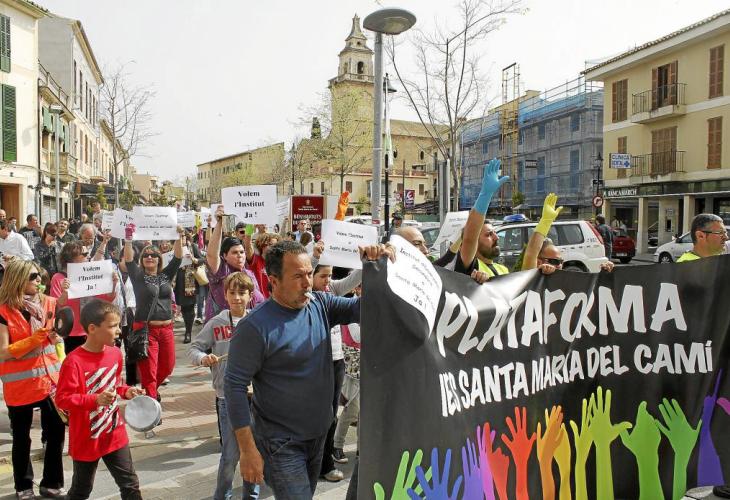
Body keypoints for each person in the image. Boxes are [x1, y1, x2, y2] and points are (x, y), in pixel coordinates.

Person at [225, 240, 394, 498]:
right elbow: (234, 387)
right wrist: (248, 451)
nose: (307, 283)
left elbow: (366, 309)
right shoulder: (254, 327)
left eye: (308, 273)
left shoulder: (321, 304)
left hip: (318, 437)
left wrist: (376, 269)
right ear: (274, 281)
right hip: (280, 444)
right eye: (297, 276)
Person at [55, 299, 144, 500]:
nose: (119, 330)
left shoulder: (115, 354)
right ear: (92, 329)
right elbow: (62, 399)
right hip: (86, 438)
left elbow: (115, 384)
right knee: (81, 491)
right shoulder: (73, 361)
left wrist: (127, 391)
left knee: (130, 484)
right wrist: (94, 400)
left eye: (118, 325)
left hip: (114, 433)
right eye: (112, 326)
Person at [188, 272, 260, 500]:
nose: (237, 297)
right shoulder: (216, 322)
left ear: (250, 296)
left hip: (256, 398)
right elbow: (194, 349)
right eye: (232, 292)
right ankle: (222, 496)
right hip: (227, 398)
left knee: (254, 451)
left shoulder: (258, 321)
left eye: (242, 293)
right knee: (230, 455)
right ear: (225, 295)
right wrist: (203, 358)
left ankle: (251, 496)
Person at [0, 259, 66, 499]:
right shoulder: (3, 310)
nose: (39, 280)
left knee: (57, 431)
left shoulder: (49, 302)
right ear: (17, 279)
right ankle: (23, 485)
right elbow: (3, 352)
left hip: (50, 380)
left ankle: (52, 483)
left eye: (39, 275)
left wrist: (57, 338)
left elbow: (59, 331)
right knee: (21, 437)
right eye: (32, 276)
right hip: (20, 385)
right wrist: (36, 338)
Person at [310, 264, 363, 483]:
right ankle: (311, 461)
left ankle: (326, 463)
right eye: (323, 276)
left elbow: (355, 278)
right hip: (314, 362)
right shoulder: (306, 295)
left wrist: (368, 260)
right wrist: (314, 256)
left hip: (336, 360)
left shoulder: (332, 290)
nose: (327, 280)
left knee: (331, 414)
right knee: (315, 415)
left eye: (330, 275)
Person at [124, 226, 184, 403]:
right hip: (146, 331)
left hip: (167, 330)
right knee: (149, 372)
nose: (149, 257)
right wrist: (128, 239)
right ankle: (151, 405)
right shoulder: (138, 276)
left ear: (159, 259)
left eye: (153, 255)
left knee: (168, 366)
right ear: (142, 260)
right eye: (146, 255)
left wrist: (178, 236)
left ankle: (149, 391)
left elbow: (178, 257)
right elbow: (129, 260)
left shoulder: (165, 276)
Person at [50, 241, 119, 354]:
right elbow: (57, 306)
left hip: (93, 330)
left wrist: (113, 285)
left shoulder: (92, 274)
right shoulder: (58, 278)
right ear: (72, 257)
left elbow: (107, 299)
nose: (88, 256)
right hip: (71, 333)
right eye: (85, 254)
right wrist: (65, 292)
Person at [205, 205, 264, 322]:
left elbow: (248, 243)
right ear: (224, 256)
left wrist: (251, 220)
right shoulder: (222, 271)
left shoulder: (249, 273)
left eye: (242, 252)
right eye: (235, 252)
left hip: (250, 325)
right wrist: (220, 223)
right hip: (224, 328)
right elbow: (211, 255)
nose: (240, 255)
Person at [454, 159, 510, 277]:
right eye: (488, 234)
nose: (496, 237)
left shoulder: (503, 270)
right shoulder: (470, 267)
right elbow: (469, 238)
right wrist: (486, 195)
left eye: (494, 233)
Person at [174, 232, 203, 343]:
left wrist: (194, 259)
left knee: (189, 308)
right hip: (178, 283)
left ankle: (188, 332)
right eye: (178, 236)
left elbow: (202, 260)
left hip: (190, 282)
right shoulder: (173, 248)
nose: (181, 238)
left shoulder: (192, 247)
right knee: (183, 307)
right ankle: (187, 327)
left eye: (182, 236)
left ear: (186, 237)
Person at [242, 228, 278, 298]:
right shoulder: (255, 260)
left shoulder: (278, 262)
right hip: (259, 301)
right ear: (262, 245)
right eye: (271, 245)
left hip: (274, 301)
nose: (274, 248)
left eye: (276, 245)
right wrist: (249, 224)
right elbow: (248, 245)